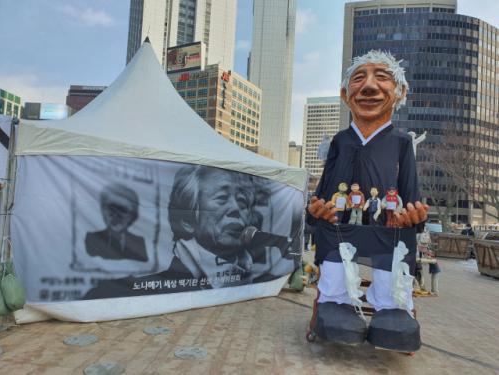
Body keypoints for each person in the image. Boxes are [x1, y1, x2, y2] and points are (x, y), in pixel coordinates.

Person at [307, 50, 428, 352]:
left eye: (382, 78)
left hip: (387, 225)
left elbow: (411, 193)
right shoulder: (340, 141)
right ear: (345, 95)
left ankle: (391, 307)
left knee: (396, 247)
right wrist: (316, 211)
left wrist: (414, 216)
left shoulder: (401, 142)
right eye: (359, 78)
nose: (370, 87)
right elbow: (324, 188)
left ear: (398, 91)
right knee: (333, 248)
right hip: (340, 225)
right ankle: (335, 302)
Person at [83, 165, 292, 299]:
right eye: (221, 198)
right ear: (187, 220)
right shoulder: (111, 292)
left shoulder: (265, 283)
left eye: (243, 202)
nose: (236, 209)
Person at [85, 184, 147, 262]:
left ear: (132, 216)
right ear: (103, 210)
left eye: (123, 210)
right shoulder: (92, 239)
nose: (115, 216)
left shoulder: (139, 243)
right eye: (112, 208)